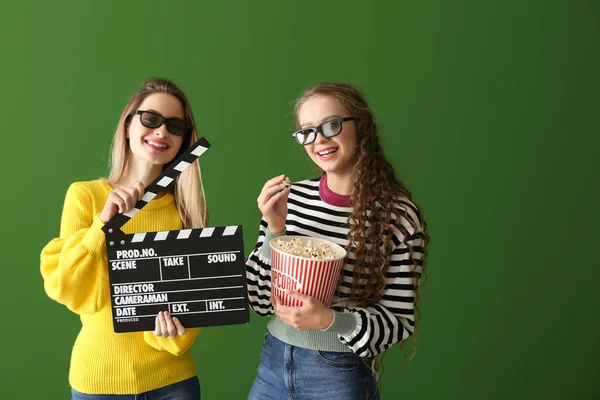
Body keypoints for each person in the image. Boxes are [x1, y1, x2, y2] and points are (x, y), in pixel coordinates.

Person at [246, 82, 429, 399]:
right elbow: (260, 300)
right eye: (308, 131)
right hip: (273, 362)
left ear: (361, 127)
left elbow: (399, 321)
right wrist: (275, 228)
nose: (319, 140)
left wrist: (330, 320)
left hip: (338, 371)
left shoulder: (398, 216)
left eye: (331, 125)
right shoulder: (291, 200)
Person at [40, 77, 207, 399]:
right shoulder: (85, 196)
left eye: (175, 126)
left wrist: (172, 334)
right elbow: (67, 288)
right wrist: (102, 225)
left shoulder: (188, 212)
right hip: (98, 380)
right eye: (151, 119)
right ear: (128, 124)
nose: (162, 132)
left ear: (184, 141)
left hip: (174, 383)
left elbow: (194, 304)